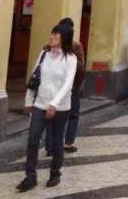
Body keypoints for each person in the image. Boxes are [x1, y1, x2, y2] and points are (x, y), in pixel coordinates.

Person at [17, 24, 78, 191]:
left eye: (56, 36)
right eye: (52, 34)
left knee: (57, 142)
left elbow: (68, 84)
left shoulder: (71, 59)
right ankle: (30, 177)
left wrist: (54, 104)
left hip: (60, 107)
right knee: (32, 139)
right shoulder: (44, 54)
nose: (52, 38)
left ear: (64, 39)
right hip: (40, 103)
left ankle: (55, 173)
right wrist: (29, 100)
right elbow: (34, 77)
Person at [43, 17, 85, 155]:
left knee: (51, 118)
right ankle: (68, 143)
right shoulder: (76, 46)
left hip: (52, 88)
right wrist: (77, 87)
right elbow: (81, 69)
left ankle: (50, 146)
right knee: (72, 115)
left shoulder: (48, 46)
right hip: (71, 88)